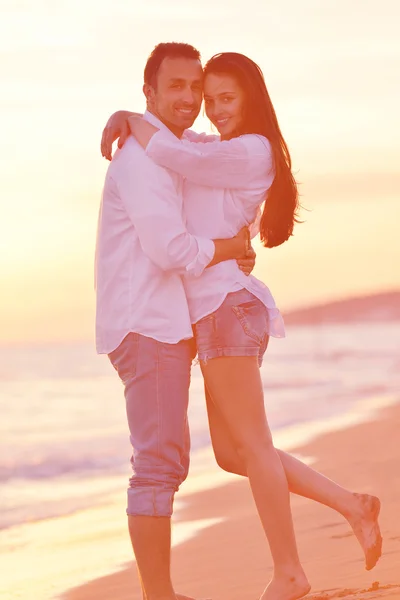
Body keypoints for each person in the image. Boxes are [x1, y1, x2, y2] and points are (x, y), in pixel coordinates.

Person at [102, 50, 383, 599]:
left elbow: (173, 154)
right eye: (210, 101)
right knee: (235, 453)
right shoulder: (220, 148)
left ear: (252, 99)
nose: (212, 109)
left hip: (227, 305)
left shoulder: (248, 151)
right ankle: (353, 505)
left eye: (225, 98)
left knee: (251, 445)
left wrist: (133, 119)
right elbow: (183, 149)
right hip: (213, 311)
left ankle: (290, 572)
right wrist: (138, 118)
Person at [95, 43, 255, 600]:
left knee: (167, 460)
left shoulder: (172, 147)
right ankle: (158, 595)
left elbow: (211, 150)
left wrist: (133, 119)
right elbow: (168, 250)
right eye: (176, 87)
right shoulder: (140, 161)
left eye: (195, 87)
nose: (189, 99)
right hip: (148, 324)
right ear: (152, 92)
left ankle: (158, 593)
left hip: (164, 324)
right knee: (158, 464)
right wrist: (231, 244)